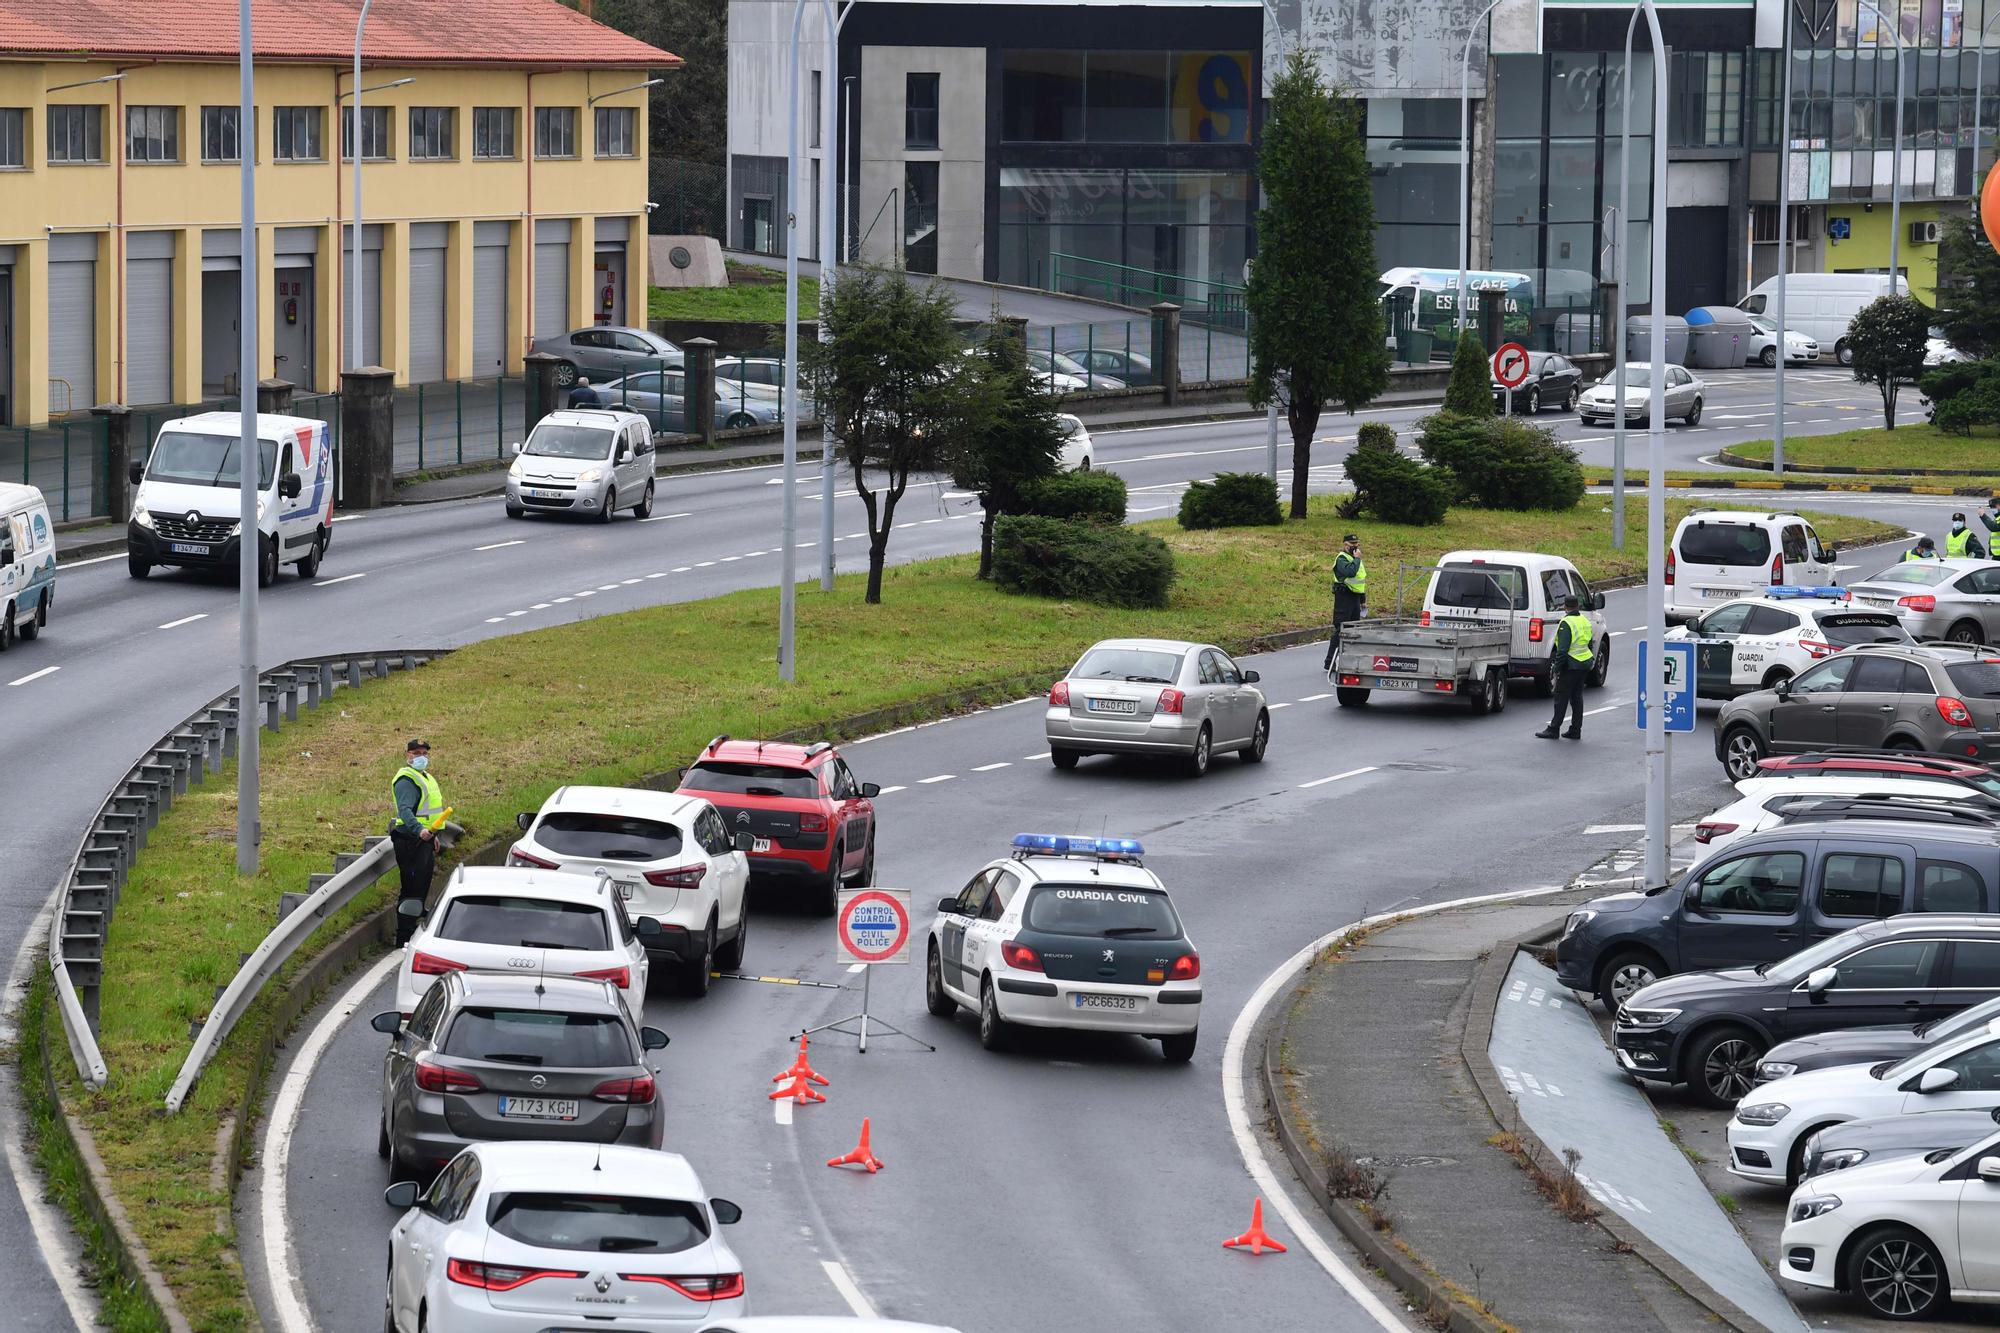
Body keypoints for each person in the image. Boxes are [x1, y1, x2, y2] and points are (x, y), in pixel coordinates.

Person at [388, 738, 445, 946]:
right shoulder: (407, 780)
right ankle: (404, 937)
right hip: (411, 841)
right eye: (417, 753)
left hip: (425, 840)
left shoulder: (425, 777)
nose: (422, 757)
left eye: (425, 753)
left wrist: (433, 836)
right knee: (412, 890)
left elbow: (427, 811)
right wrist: (420, 830)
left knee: (421, 887)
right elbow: (405, 811)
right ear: (408, 756)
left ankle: (413, 932)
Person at [1535, 595, 1596, 741]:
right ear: (1578, 606)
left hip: (1570, 665)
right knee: (1577, 698)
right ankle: (1575, 730)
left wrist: (1556, 668)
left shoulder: (1566, 623)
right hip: (1584, 664)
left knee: (1561, 697)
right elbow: (1589, 644)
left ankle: (1554, 729)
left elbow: (1562, 650)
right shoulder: (1585, 621)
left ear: (1565, 607)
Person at [1322, 534, 1368, 672]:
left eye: (1357, 544)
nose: (1355, 547)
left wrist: (1362, 601)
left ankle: (1348, 660)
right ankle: (1330, 662)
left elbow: (1359, 582)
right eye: (1352, 544)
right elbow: (1350, 572)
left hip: (1354, 598)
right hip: (1343, 597)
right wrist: (1357, 559)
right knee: (1340, 630)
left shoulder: (1355, 559)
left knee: (1353, 630)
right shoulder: (1342, 559)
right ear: (1345, 545)